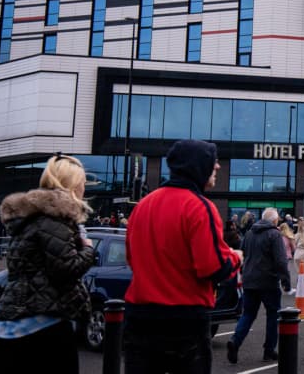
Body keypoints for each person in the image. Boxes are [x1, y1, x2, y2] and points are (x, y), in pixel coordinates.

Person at [123, 139, 243, 374]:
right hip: (184, 321)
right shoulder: (200, 207)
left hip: (140, 317)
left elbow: (132, 259)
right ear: (198, 167)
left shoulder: (142, 205)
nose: (217, 167)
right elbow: (212, 267)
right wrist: (236, 257)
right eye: (213, 161)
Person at [0, 154, 97, 373]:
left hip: (11, 322)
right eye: (83, 183)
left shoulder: (30, 218)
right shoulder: (55, 219)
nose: (84, 189)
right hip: (42, 324)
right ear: (72, 185)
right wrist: (88, 249)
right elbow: (65, 268)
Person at [226, 207, 291, 364]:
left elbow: (242, 254)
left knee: (248, 314)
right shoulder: (274, 234)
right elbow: (281, 261)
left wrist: (242, 272)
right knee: (272, 315)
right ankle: (269, 350)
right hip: (268, 281)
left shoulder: (249, 233)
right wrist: (285, 281)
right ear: (275, 220)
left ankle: (235, 340)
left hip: (250, 280)